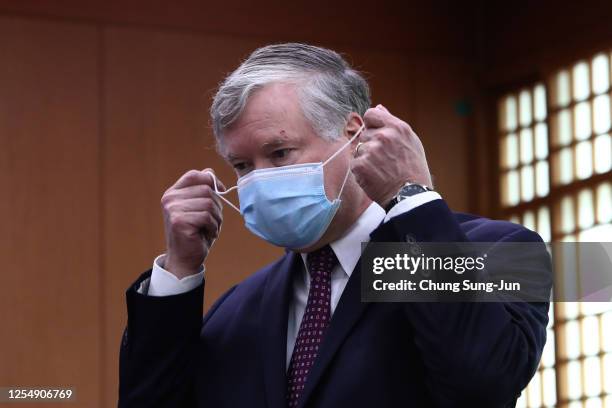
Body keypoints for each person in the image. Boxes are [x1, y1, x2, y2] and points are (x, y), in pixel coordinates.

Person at [118, 43, 551, 407]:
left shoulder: (505, 249)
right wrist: (179, 271)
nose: (259, 179)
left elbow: (484, 385)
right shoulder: (237, 309)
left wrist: (413, 201)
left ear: (354, 135)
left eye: (280, 153)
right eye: (241, 165)